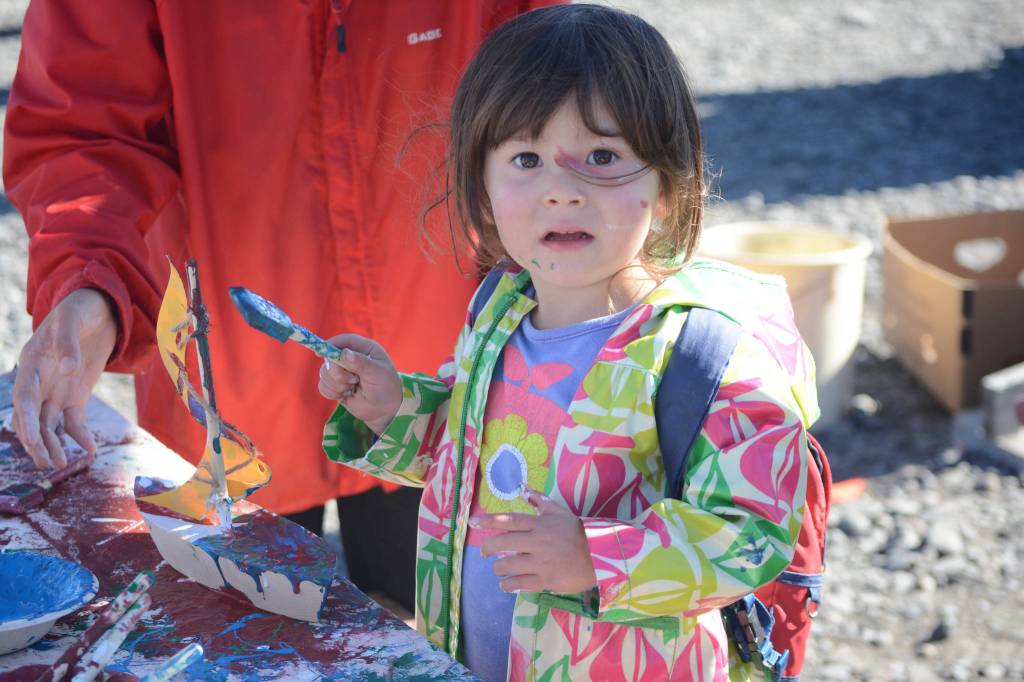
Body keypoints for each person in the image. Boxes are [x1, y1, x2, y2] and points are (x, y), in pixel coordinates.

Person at [3, 1, 558, 615]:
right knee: (239, 633)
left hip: (447, 366)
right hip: (227, 371)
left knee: (438, 626)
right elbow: (86, 124)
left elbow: (558, 88)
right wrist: (91, 281)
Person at [317, 4, 821, 680]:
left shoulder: (708, 352)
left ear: (669, 187)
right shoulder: (499, 310)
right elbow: (472, 455)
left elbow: (753, 535)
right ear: (482, 186)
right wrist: (393, 408)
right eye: (526, 158)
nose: (561, 190)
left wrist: (597, 556)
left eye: (603, 157)